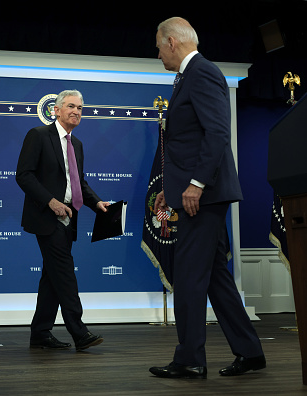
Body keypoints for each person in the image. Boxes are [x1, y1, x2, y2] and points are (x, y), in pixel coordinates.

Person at [149, 17, 266, 379]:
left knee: (187, 277)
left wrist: (196, 184)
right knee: (215, 276)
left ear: (171, 42)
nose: (157, 54)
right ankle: (250, 352)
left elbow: (217, 132)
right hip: (199, 194)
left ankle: (189, 359)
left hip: (201, 195)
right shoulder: (188, 76)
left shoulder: (202, 72)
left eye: (157, 46)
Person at [16, 89, 109, 351]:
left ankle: (40, 334)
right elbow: (24, 175)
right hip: (47, 216)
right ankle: (79, 333)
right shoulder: (38, 135)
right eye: (71, 106)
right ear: (56, 110)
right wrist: (51, 201)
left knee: (52, 276)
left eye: (80, 108)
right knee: (65, 272)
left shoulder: (76, 144)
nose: (76, 112)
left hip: (70, 217)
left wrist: (97, 202)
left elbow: (79, 183)